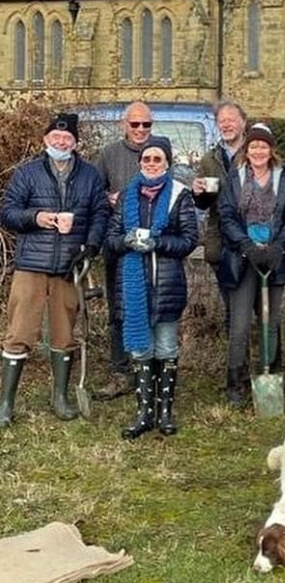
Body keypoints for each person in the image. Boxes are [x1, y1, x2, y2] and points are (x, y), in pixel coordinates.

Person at [0, 112, 108, 428]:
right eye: (56, 137)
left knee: (64, 333)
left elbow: (100, 214)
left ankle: (60, 397)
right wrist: (36, 217)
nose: (61, 142)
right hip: (31, 264)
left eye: (68, 139)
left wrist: (91, 246)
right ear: (46, 139)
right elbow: (7, 213)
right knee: (19, 333)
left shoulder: (89, 175)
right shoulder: (27, 173)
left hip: (69, 266)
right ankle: (6, 402)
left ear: (76, 143)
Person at [105, 136, 199, 439]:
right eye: (146, 159)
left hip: (166, 282)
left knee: (167, 346)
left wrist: (158, 243)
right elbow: (110, 238)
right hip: (133, 282)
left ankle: (165, 412)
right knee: (142, 349)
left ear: (167, 163)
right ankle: (144, 413)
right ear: (139, 163)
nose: (151, 163)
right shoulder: (126, 196)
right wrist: (126, 241)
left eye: (157, 159)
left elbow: (188, 240)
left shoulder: (179, 196)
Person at [217, 123, 285, 405]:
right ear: (247, 149)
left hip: (274, 258)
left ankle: (272, 376)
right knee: (240, 325)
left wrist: (279, 245)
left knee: (270, 322)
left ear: (271, 149)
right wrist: (246, 245)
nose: (257, 150)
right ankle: (236, 384)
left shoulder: (283, 178)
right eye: (253, 145)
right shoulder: (236, 177)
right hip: (242, 259)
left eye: (263, 146)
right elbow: (226, 215)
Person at [93, 99, 155, 400]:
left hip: (153, 246)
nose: (141, 129)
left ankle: (150, 369)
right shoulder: (109, 154)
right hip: (118, 245)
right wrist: (108, 198)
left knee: (152, 306)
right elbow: (93, 193)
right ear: (124, 125)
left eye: (146, 124)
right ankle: (120, 372)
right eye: (135, 124)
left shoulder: (159, 151)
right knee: (118, 309)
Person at [191, 100, 248, 294]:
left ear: (243, 123)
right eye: (222, 121)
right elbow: (204, 204)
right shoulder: (210, 158)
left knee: (254, 305)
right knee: (230, 303)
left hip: (252, 239)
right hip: (221, 243)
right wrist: (198, 193)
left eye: (231, 120)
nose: (226, 125)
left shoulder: (256, 152)